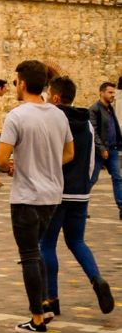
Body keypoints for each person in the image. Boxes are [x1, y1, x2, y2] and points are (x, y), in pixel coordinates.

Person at [0, 60, 74, 333]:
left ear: (24, 84)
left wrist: (14, 166)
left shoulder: (17, 116)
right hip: (52, 196)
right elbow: (69, 154)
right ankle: (44, 303)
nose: (15, 86)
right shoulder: (59, 116)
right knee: (37, 250)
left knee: (29, 255)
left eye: (16, 82)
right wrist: (47, 164)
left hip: (27, 197)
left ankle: (37, 320)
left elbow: (1, 158)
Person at [40, 77, 114, 317]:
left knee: (47, 244)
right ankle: (96, 278)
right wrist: (86, 186)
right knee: (76, 241)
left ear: (56, 97)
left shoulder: (53, 120)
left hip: (56, 192)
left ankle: (52, 298)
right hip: (80, 193)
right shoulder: (87, 123)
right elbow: (92, 160)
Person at [88, 81, 122, 218]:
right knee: (92, 179)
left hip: (112, 150)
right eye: (110, 92)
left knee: (118, 178)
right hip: (99, 152)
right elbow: (93, 131)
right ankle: (80, 207)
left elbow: (114, 129)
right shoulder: (94, 109)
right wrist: (101, 148)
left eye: (114, 92)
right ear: (101, 93)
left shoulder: (110, 109)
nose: (113, 95)